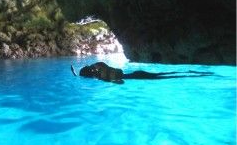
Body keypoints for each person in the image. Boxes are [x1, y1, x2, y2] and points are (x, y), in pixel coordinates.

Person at [70, 62, 213, 84]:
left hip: (137, 77)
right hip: (136, 74)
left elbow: (121, 82)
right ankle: (192, 72)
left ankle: (194, 73)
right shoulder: (101, 70)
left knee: (169, 76)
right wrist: (75, 73)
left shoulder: (101, 76)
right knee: (166, 74)